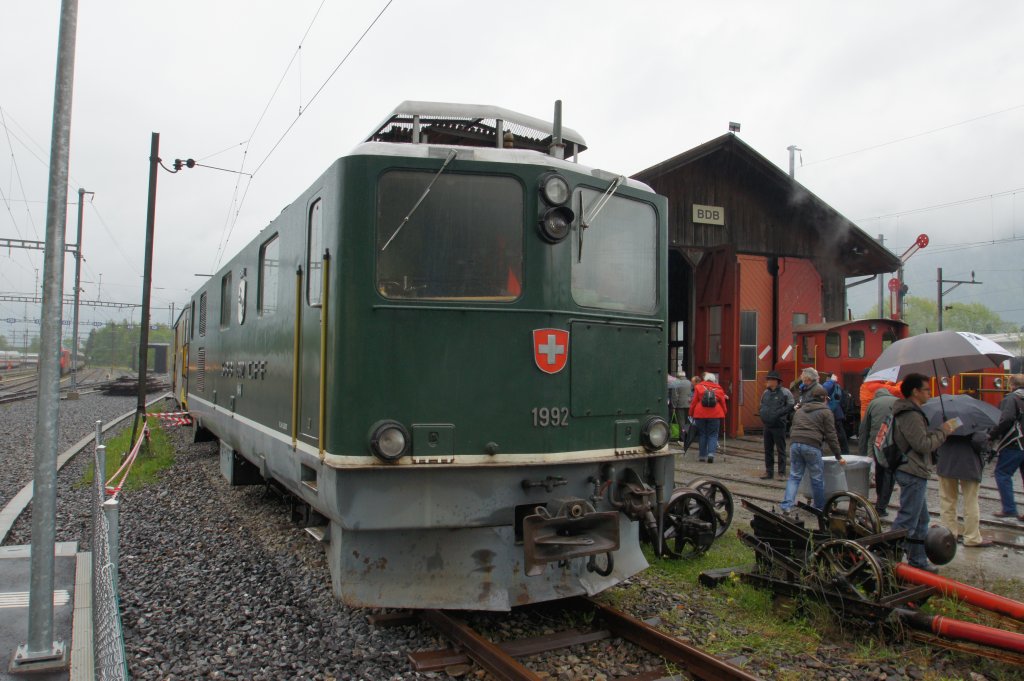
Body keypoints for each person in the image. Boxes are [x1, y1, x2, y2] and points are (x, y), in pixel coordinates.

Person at [891, 373, 957, 573]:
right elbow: (922, 445)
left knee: (921, 520)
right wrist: (943, 431)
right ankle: (887, 559)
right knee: (908, 520)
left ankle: (917, 561)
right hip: (912, 471)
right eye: (927, 389)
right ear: (915, 391)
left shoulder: (912, 412)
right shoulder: (910, 414)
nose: (930, 393)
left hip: (914, 470)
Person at [780, 384, 842, 514]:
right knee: (817, 478)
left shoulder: (800, 410)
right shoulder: (826, 412)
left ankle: (786, 505)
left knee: (794, 476)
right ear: (824, 398)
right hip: (812, 445)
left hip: (795, 443)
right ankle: (819, 508)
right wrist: (838, 455)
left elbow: (792, 428)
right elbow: (831, 435)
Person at [936, 431, 992, 547]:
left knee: (947, 501)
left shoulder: (945, 420)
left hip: (946, 461)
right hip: (969, 463)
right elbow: (978, 440)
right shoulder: (974, 421)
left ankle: (949, 536)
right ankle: (972, 538)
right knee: (971, 502)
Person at [858, 386, 899, 517]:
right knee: (889, 474)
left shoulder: (873, 403)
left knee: (879, 471)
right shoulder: (897, 401)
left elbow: (864, 427)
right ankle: (881, 507)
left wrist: (862, 450)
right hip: (892, 443)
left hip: (876, 442)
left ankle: (879, 502)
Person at [989, 374, 1024, 521]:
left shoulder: (1011, 399)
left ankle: (1009, 509)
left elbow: (1006, 419)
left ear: (1012, 385)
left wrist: (992, 434)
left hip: (1014, 443)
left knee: (1002, 473)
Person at [758, 370, 793, 479]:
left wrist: (779, 414)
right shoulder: (765, 393)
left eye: (769, 379)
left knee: (781, 449)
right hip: (767, 425)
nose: (767, 381)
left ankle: (781, 473)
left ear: (776, 381)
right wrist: (762, 414)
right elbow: (761, 405)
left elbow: (791, 405)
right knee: (767, 450)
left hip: (779, 425)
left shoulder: (785, 392)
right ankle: (769, 472)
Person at [690, 372, 727, 463]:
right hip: (715, 414)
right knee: (713, 434)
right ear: (714, 380)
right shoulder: (719, 388)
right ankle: (711, 454)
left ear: (705, 379)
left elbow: (694, 402)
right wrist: (724, 412)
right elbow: (723, 402)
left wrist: (691, 413)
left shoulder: (699, 387)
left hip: (700, 414)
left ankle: (702, 456)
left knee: (702, 434)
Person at [822, 373, 850, 455]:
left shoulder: (829, 385)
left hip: (830, 412)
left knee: (828, 432)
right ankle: (844, 451)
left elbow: (824, 388)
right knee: (840, 433)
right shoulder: (838, 387)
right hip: (838, 412)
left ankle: (841, 452)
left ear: (828, 378)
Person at [669, 371, 693, 443]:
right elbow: (691, 393)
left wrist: (674, 406)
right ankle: (688, 435)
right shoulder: (689, 382)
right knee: (687, 421)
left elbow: (675, 396)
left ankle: (682, 437)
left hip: (680, 405)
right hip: (689, 404)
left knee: (681, 421)